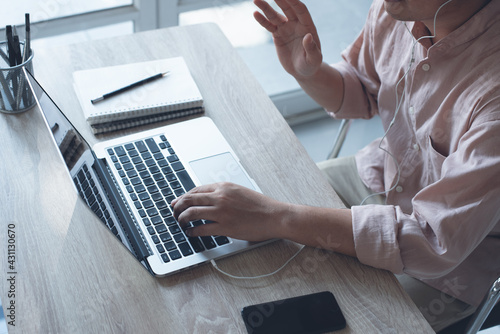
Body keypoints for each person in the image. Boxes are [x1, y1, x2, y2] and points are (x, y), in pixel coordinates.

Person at [172, 0, 500, 330]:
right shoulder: (397, 11)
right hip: (376, 178)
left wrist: (276, 217)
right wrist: (310, 73)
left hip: (450, 267)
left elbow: (432, 242)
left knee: (286, 312)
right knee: (231, 241)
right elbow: (361, 89)